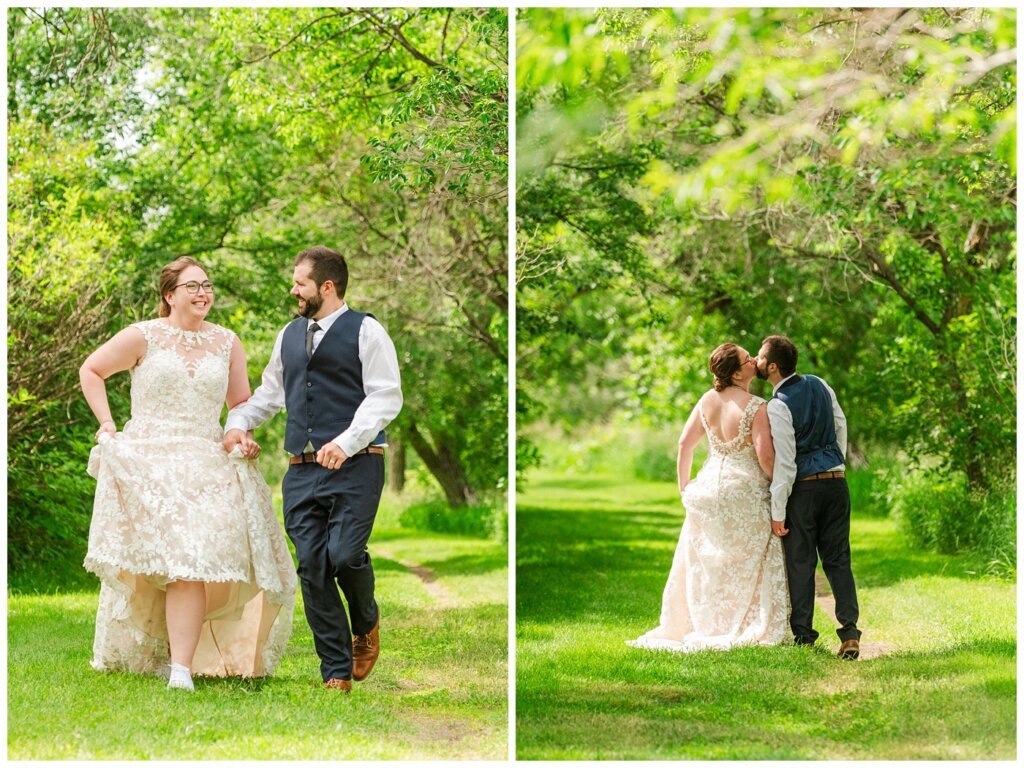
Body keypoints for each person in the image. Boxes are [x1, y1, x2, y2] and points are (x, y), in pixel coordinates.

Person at [80, 256, 297, 691]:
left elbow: (240, 405)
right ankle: (162, 659)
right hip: (151, 460)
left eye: (207, 285)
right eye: (193, 286)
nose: (203, 293)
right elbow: (92, 370)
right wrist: (107, 424)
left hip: (205, 461)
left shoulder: (227, 342)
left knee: (193, 561)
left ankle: (181, 668)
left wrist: (240, 437)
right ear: (170, 294)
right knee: (164, 563)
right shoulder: (145, 335)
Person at [223, 245, 402, 693]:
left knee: (343, 555)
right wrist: (238, 423)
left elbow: (385, 396)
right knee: (313, 567)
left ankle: (366, 621)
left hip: (358, 464)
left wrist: (344, 443)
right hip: (300, 470)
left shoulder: (367, 332)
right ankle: (336, 671)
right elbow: (269, 394)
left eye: (300, 282)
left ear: (327, 286)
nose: (293, 289)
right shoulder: (289, 334)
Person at [629, 343, 790, 652]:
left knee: (709, 563)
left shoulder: (707, 400)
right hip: (743, 491)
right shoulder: (757, 406)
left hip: (706, 492)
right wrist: (782, 489)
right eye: (747, 359)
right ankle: (742, 623)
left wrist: (685, 488)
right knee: (749, 561)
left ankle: (706, 623)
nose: (754, 360)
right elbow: (767, 458)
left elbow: (684, 444)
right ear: (735, 372)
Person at [755, 335, 862, 659]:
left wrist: (777, 511)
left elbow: (785, 463)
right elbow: (840, 424)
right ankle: (850, 633)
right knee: (838, 559)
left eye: (760, 357)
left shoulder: (778, 405)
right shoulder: (820, 383)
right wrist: (835, 460)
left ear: (772, 367)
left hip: (805, 489)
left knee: (801, 563)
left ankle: (804, 636)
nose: (756, 361)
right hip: (836, 483)